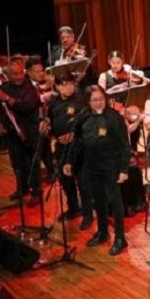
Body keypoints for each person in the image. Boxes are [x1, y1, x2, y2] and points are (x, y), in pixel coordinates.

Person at [65, 85, 130, 256]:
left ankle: (120, 238)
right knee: (99, 200)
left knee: (115, 201)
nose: (99, 103)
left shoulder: (114, 118)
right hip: (92, 166)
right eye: (95, 100)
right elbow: (77, 142)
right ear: (88, 102)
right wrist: (70, 161)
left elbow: (125, 145)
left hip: (111, 166)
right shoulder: (83, 117)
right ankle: (102, 232)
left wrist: (124, 170)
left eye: (101, 99)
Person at [0, 58, 42, 206]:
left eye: (20, 73)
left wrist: (7, 98)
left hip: (29, 131)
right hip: (12, 131)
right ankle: (22, 188)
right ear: (8, 75)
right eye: (14, 74)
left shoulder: (30, 88)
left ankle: (36, 192)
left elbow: (26, 107)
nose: (18, 77)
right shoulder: (4, 87)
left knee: (32, 163)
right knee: (17, 162)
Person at [46, 71, 93, 229]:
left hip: (79, 146)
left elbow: (89, 122)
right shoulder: (54, 101)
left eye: (71, 83)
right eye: (64, 85)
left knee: (83, 181)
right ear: (57, 86)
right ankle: (73, 208)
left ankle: (87, 214)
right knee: (66, 180)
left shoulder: (82, 99)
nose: (69, 87)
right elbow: (49, 119)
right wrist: (47, 127)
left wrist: (74, 135)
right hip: (61, 146)